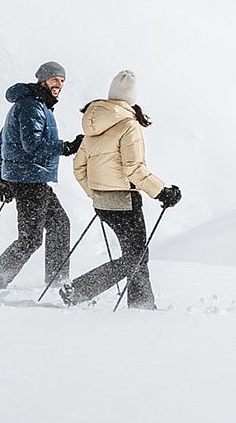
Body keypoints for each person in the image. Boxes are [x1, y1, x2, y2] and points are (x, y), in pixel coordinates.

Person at [58, 70, 181, 309]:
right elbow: (134, 169)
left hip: (103, 204)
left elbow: (78, 167)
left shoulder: (92, 124)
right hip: (125, 202)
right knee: (136, 257)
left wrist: (95, 193)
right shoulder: (128, 125)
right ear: (131, 98)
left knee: (135, 255)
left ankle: (142, 305)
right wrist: (162, 192)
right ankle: (80, 290)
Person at [0, 61, 83, 289]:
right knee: (30, 238)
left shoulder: (33, 105)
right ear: (43, 80)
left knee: (59, 225)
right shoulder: (31, 106)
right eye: (55, 79)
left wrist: (2, 178)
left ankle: (56, 280)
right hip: (29, 179)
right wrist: (65, 147)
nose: (59, 84)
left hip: (28, 178)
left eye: (62, 80)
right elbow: (32, 146)